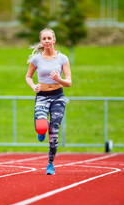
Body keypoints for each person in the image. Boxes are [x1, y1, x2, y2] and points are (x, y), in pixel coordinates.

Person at [25, 28, 72, 175]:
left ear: (54, 40)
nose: (46, 41)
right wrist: (34, 86)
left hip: (58, 97)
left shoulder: (63, 58)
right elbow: (28, 77)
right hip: (42, 96)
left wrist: (59, 79)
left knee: (54, 134)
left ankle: (50, 164)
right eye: (43, 38)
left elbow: (69, 82)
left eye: (49, 38)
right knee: (41, 127)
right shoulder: (36, 59)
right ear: (41, 41)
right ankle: (41, 131)